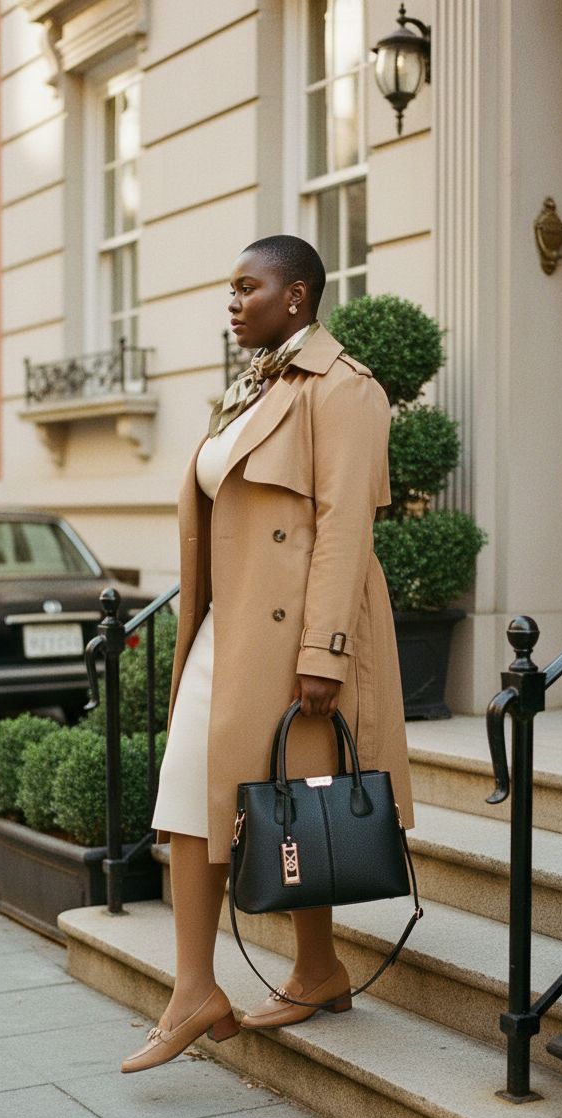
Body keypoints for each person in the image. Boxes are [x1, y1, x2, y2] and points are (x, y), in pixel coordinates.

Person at [121, 235, 413, 1074]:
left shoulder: (346, 388)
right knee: (224, 790)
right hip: (230, 625)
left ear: (297, 296)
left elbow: (346, 526)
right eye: (231, 288)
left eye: (247, 287)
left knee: (285, 794)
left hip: (293, 635)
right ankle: (238, 981)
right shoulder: (254, 385)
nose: (233, 301)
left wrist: (325, 649)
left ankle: (273, 977)